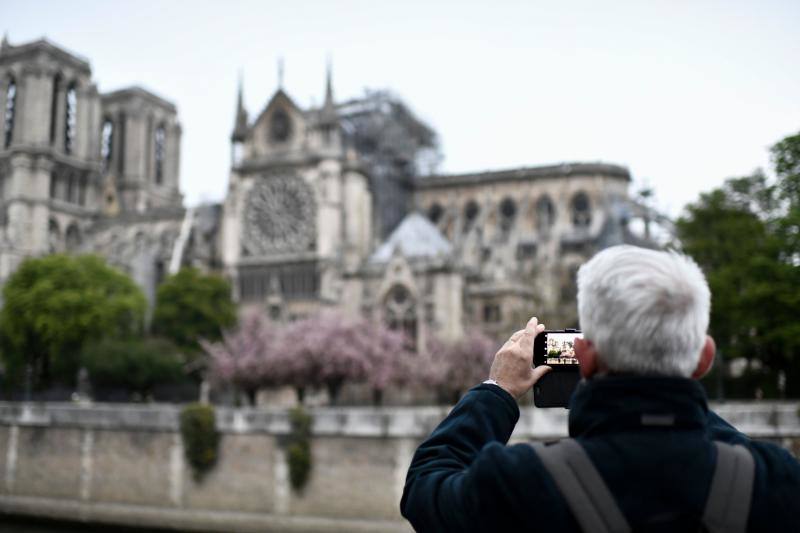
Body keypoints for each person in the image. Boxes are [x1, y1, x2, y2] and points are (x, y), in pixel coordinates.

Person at [400, 245, 800, 532]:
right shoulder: (775, 481)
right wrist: (672, 393)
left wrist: (496, 389)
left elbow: (424, 488)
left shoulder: (522, 482)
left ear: (585, 357)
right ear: (704, 357)